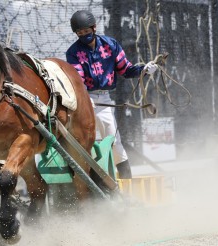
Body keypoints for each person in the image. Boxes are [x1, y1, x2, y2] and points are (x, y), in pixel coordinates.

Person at [66, 10, 157, 179]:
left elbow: (126, 69)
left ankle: (126, 180)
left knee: (114, 141)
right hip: (86, 100)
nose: (83, 35)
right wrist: (85, 100)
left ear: (94, 27)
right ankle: (91, 184)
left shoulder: (110, 45)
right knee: (86, 142)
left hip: (105, 99)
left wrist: (144, 70)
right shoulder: (73, 52)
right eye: (79, 33)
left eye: (86, 31)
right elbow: (77, 80)